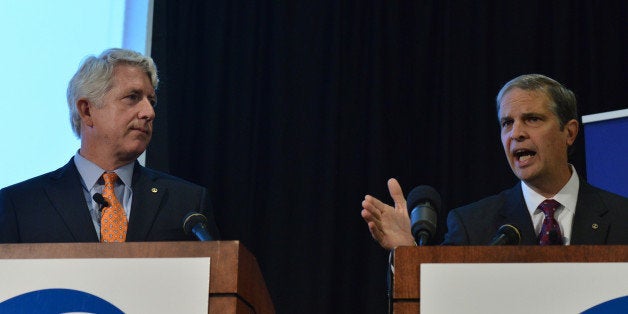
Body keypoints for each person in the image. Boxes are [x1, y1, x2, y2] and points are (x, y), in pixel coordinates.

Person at [361, 74, 628, 248]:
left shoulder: (622, 218)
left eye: (532, 119)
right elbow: (438, 301)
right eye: (507, 123)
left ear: (569, 132)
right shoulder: (473, 226)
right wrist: (407, 254)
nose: (517, 133)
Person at [0, 48, 220, 243]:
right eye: (132, 97)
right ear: (87, 110)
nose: (149, 113)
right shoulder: (19, 206)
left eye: (151, 101)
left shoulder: (187, 205)